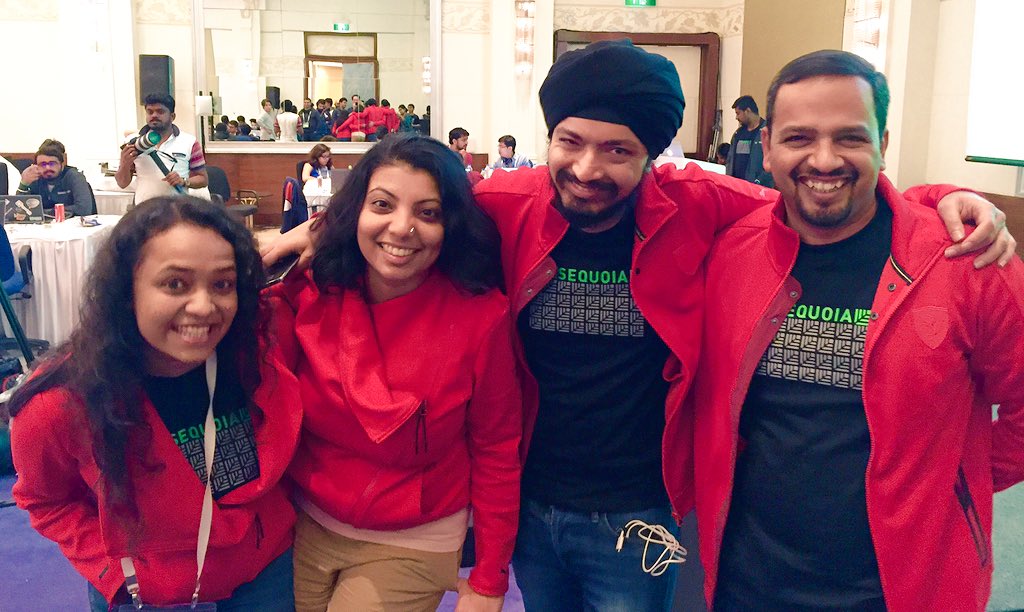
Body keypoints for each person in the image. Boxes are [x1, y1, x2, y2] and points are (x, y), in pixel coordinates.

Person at [262, 40, 1015, 612]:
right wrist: (307, 234)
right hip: (532, 504)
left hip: (643, 514)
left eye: (618, 150)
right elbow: (405, 204)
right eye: (571, 141)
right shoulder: (507, 205)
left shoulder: (702, 208)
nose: (588, 168)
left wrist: (940, 198)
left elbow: (823, 195)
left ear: (651, 155)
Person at [674, 49, 1024, 612]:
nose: (824, 159)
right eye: (799, 138)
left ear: (883, 142)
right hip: (748, 578)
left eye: (850, 138)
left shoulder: (968, 261)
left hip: (903, 588)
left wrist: (952, 483)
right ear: (766, 147)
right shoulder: (732, 252)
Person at [9, 196, 302, 611]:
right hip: (146, 596)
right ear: (127, 292)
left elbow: (369, 235)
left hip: (263, 577)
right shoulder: (61, 403)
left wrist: (315, 229)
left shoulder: (254, 352)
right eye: (175, 284)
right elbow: (45, 500)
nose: (204, 307)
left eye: (222, 284)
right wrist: (115, 574)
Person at [270, 133, 522, 611]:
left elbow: (497, 450)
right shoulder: (311, 289)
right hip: (305, 522)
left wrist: (490, 577)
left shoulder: (480, 318)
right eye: (382, 205)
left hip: (414, 538)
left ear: (450, 224)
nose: (402, 228)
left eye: (428, 213)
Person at [115, 94, 209, 203]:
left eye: (160, 111)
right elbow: (122, 184)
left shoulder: (189, 142)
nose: (154, 115)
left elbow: (203, 179)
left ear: (172, 116)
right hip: (145, 208)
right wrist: (124, 164)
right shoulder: (133, 142)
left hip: (177, 208)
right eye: (150, 112)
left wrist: (183, 181)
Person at [16, 138, 94, 217]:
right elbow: (19, 211)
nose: (47, 168)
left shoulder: (74, 176)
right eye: (43, 164)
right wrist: (23, 184)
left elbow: (83, 209)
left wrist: (44, 212)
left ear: (62, 164)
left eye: (52, 163)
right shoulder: (35, 178)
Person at [725, 95, 773, 187]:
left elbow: (773, 162)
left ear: (747, 111)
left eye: (738, 113)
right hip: (737, 187)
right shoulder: (738, 134)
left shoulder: (767, 132)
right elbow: (730, 161)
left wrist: (759, 180)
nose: (736, 117)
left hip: (759, 188)